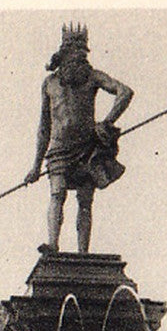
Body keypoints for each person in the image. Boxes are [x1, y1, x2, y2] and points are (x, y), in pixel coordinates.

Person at [25, 24, 133, 254]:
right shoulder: (50, 83)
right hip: (58, 149)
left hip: (87, 147)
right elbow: (44, 127)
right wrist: (35, 166)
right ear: (64, 53)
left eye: (82, 53)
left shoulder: (92, 77)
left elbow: (124, 91)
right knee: (57, 193)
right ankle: (53, 244)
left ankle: (83, 253)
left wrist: (107, 122)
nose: (79, 57)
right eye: (74, 52)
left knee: (85, 202)